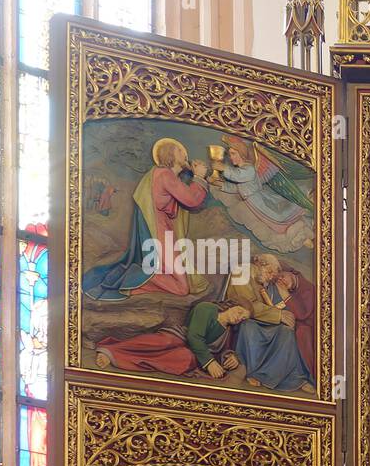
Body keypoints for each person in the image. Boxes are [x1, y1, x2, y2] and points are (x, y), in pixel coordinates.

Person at [81, 138, 210, 300]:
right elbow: (191, 199)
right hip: (159, 234)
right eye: (179, 151)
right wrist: (199, 177)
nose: (185, 154)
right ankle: (128, 281)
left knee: (182, 285)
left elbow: (179, 203)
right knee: (182, 288)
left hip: (165, 233)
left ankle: (129, 287)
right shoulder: (164, 174)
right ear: (169, 153)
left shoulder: (165, 176)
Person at [210, 135, 314, 253]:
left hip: (259, 201)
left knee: (277, 216)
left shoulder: (248, 169)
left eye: (234, 153)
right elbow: (236, 188)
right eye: (230, 154)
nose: (231, 157)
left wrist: (223, 168)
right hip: (253, 204)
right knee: (272, 224)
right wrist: (221, 185)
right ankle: (301, 237)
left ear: (241, 153)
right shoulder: (241, 171)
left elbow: (239, 175)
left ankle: (303, 236)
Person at [226, 253, 314, 392]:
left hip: (266, 320)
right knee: (249, 328)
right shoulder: (241, 272)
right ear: (259, 264)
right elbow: (247, 305)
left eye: (274, 274)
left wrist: (286, 314)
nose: (272, 276)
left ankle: (293, 378)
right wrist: (279, 315)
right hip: (244, 317)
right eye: (270, 271)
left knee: (287, 331)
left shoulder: (266, 282)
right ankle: (255, 373)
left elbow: (276, 303)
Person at [94, 302, 250, 379]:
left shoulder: (229, 331)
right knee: (164, 343)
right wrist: (209, 363)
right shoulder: (207, 309)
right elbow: (194, 336)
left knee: (184, 359)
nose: (239, 317)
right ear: (231, 305)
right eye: (240, 311)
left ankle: (121, 359)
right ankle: (110, 350)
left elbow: (224, 350)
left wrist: (231, 358)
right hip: (179, 337)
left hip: (195, 354)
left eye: (243, 318)